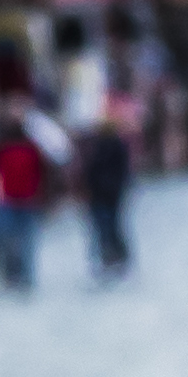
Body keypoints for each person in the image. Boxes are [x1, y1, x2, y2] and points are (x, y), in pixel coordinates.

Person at [0, 105, 50, 293]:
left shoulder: (32, 145)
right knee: (6, 240)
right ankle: (10, 275)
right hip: (4, 199)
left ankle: (24, 275)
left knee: (25, 241)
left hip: (27, 199)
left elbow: (42, 172)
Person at [74, 100, 138, 282]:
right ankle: (108, 259)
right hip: (97, 194)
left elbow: (122, 171)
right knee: (102, 228)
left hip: (111, 194)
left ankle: (117, 258)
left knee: (112, 226)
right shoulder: (92, 146)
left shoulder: (115, 145)